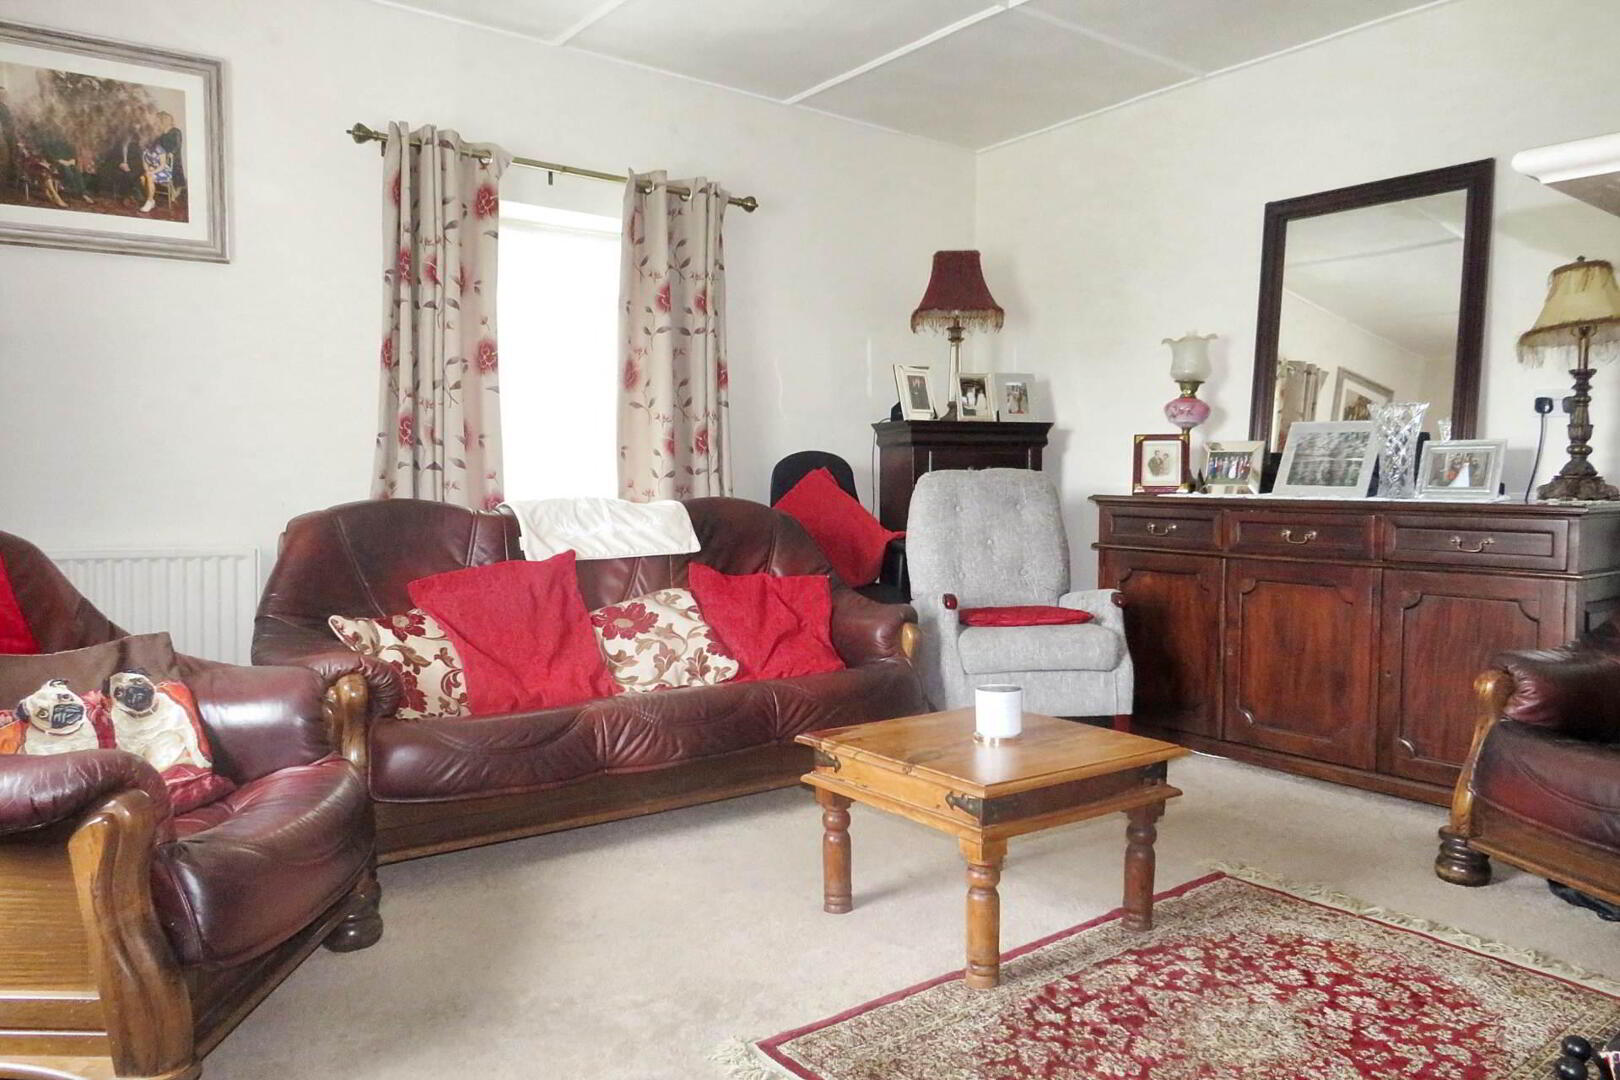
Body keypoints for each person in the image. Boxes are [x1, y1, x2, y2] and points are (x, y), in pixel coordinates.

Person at [138, 111, 184, 214]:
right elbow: (151, 151)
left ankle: (150, 201)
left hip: (170, 157)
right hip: (158, 160)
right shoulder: (159, 134)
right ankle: (151, 198)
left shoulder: (175, 131)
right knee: (143, 178)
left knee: (175, 176)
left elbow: (177, 144)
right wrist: (149, 168)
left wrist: (170, 153)